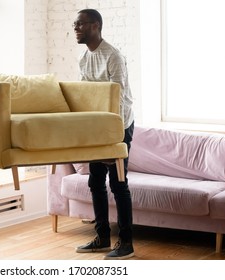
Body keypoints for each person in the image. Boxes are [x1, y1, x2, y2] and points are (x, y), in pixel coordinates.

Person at [73, 9, 135, 260]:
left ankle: (127, 243)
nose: (76, 28)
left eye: (81, 24)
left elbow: (119, 100)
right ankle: (102, 238)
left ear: (96, 25)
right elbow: (85, 97)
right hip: (97, 127)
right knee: (95, 181)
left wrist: (112, 140)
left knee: (118, 184)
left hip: (119, 126)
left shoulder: (113, 56)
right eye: (74, 24)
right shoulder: (83, 59)